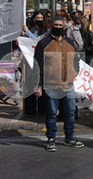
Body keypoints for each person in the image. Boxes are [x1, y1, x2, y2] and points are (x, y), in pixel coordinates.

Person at [34, 15, 84, 152]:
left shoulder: (70, 43)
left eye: (60, 25)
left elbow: (76, 60)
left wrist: (74, 72)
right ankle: (51, 139)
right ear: (51, 26)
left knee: (70, 113)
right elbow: (37, 65)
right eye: (55, 25)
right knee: (51, 113)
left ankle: (69, 138)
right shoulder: (43, 43)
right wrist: (38, 85)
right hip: (51, 85)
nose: (58, 27)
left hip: (68, 84)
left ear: (64, 26)